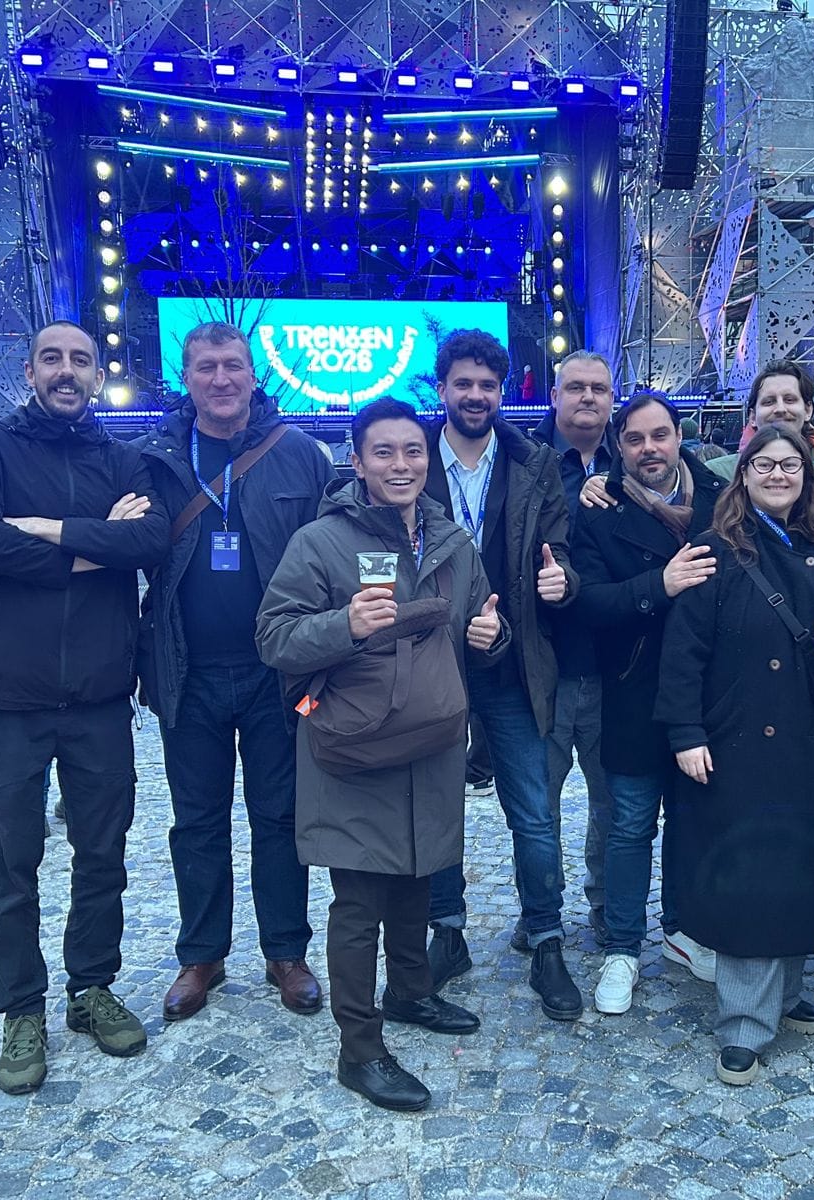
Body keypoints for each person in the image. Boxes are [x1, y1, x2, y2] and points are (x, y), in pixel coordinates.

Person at [254, 398, 499, 1112]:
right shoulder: (320, 542)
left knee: (420, 870)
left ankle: (411, 991)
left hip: (432, 743)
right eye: (383, 452)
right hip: (354, 745)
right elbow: (274, 637)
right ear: (357, 462)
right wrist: (344, 624)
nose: (401, 465)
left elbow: (481, 617)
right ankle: (359, 1049)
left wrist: (493, 634)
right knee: (360, 900)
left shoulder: (451, 540)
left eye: (413, 451)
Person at [0, 321, 170, 1095]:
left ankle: (91, 987)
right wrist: (91, 549)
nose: (66, 371)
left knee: (102, 853)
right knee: (10, 861)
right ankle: (20, 1009)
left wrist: (45, 530)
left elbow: (148, 543)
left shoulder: (123, 459)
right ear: (29, 369)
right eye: (52, 358)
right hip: (8, 695)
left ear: (98, 373)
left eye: (81, 360)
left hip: (101, 697)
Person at [656, 424, 814, 1084]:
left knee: (801, 871)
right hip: (741, 741)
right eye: (765, 465)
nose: (779, 475)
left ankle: (785, 993)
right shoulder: (714, 549)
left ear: (807, 476)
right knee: (753, 880)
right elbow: (683, 651)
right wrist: (686, 733)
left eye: (791, 465)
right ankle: (745, 1023)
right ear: (743, 475)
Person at [135, 322, 335, 1023]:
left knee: (280, 815)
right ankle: (202, 954)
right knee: (196, 819)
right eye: (206, 367)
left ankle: (286, 951)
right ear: (186, 377)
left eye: (232, 366)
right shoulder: (155, 459)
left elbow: (339, 544)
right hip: (185, 670)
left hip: (276, 674)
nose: (220, 379)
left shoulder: (301, 455)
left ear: (254, 375)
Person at [418, 329, 583, 1021]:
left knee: (533, 811)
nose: (475, 395)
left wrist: (561, 581)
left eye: (487, 385)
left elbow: (560, 552)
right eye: (463, 383)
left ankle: (546, 939)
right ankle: (447, 932)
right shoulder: (413, 456)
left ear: (501, 390)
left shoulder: (532, 461)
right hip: (429, 663)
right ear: (442, 388)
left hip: (514, 662)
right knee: (436, 807)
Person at [571, 392, 729, 1009]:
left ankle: (686, 930)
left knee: (695, 823)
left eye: (659, 435)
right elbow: (588, 603)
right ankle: (622, 947)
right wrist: (657, 585)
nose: (649, 450)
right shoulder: (599, 508)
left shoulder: (722, 498)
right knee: (631, 825)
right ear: (619, 446)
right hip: (635, 689)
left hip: (711, 693)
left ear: (678, 435)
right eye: (635, 440)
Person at [529, 350, 617, 948]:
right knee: (540, 806)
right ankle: (541, 913)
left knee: (612, 802)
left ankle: (606, 902)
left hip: (615, 666)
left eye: (599, 389)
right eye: (576, 387)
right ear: (555, 395)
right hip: (546, 664)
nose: (588, 397)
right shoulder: (526, 461)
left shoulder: (634, 457)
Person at [707, 361, 814, 480]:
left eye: (789, 400)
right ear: (752, 417)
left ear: (808, 411)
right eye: (769, 401)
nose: (780, 409)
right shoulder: (716, 474)